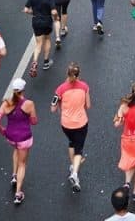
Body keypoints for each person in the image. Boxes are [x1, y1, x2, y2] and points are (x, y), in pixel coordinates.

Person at [0, 79, 38, 204]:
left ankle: (14, 175)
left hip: (11, 137)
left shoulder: (6, 103)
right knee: (22, 164)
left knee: (16, 150)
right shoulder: (29, 104)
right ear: (23, 89)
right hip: (24, 138)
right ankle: (18, 193)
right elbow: (34, 122)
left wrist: (3, 131)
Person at [53, 63, 91, 192]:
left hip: (66, 124)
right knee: (79, 149)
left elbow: (52, 107)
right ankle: (75, 174)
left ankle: (72, 165)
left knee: (71, 142)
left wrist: (60, 106)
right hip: (81, 123)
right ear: (79, 74)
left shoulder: (60, 89)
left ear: (67, 74)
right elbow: (88, 105)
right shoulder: (85, 87)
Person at [24, 0, 58, 77]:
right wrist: (55, 17)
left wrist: (33, 12)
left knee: (38, 43)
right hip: (47, 20)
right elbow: (54, 11)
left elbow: (26, 10)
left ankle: (34, 62)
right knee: (47, 39)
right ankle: (46, 62)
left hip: (36, 21)